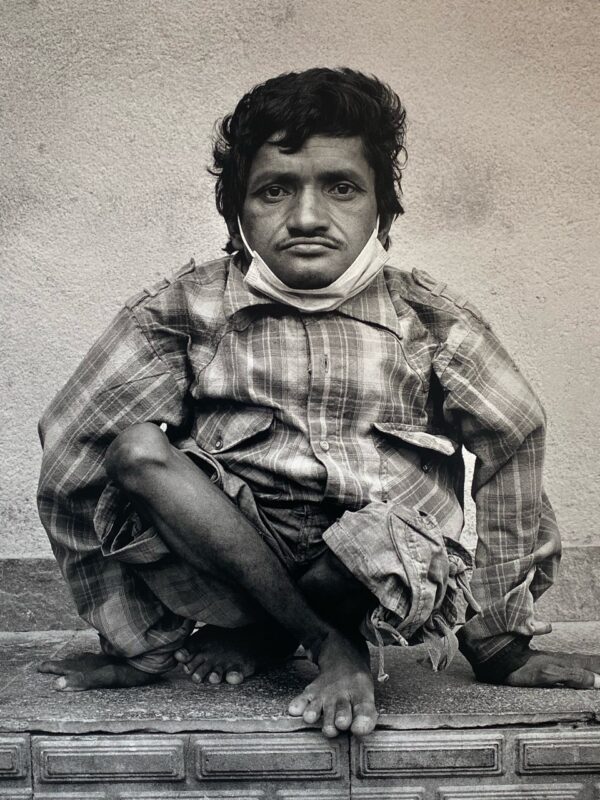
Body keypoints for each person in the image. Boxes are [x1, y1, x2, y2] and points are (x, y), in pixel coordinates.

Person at [37, 67, 600, 740]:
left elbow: (518, 438)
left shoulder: (430, 321)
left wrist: (497, 637)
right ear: (236, 211)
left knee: (393, 527)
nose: (307, 218)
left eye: (341, 187)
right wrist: (136, 639)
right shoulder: (182, 314)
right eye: (275, 190)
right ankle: (324, 644)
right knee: (135, 450)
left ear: (381, 212)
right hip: (237, 570)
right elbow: (74, 455)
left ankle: (298, 638)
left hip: (375, 577)